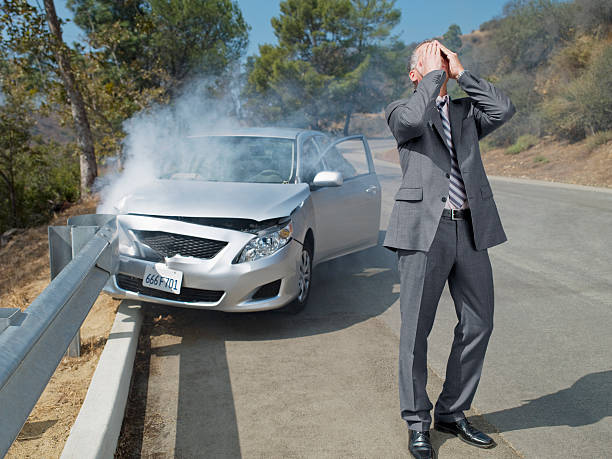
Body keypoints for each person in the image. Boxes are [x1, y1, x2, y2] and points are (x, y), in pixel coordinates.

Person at [383, 40, 515, 459]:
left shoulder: (465, 113)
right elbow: (411, 119)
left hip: (470, 230)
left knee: (479, 323)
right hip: (425, 232)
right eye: (430, 61)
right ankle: (417, 422)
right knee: (415, 333)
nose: (439, 65)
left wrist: (461, 75)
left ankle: (452, 412)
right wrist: (433, 77)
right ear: (414, 73)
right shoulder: (401, 110)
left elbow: (503, 109)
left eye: (443, 59)